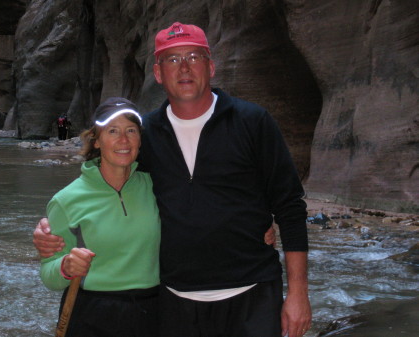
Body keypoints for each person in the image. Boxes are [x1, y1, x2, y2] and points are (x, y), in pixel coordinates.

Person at [34, 22, 310, 337]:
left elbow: (289, 206)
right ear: (158, 73)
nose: (184, 68)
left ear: (211, 66)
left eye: (193, 56)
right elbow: (105, 186)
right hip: (174, 303)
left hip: (254, 294)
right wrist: (50, 225)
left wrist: (299, 293)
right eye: (172, 59)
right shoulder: (145, 135)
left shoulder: (252, 122)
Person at [40, 98, 161, 337]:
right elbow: (48, 275)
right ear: (96, 140)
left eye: (131, 130)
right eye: (112, 131)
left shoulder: (156, 187)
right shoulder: (66, 200)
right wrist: (65, 267)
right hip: (92, 316)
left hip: (153, 311)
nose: (123, 140)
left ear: (140, 139)